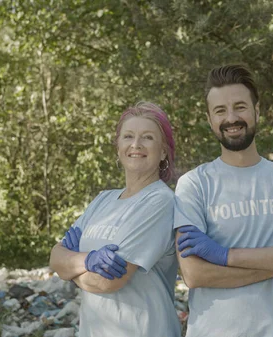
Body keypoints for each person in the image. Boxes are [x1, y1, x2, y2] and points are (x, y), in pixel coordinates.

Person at [174, 64, 273, 337]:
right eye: (220, 110)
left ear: (257, 111)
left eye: (240, 107)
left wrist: (224, 256)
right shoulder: (193, 184)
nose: (231, 118)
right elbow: (195, 274)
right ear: (210, 119)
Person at [49, 102, 181, 337]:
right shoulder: (103, 200)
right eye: (128, 136)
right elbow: (54, 257)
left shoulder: (160, 202)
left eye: (148, 137)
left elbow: (107, 282)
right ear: (118, 147)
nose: (136, 144)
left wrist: (70, 267)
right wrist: (88, 260)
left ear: (163, 152)